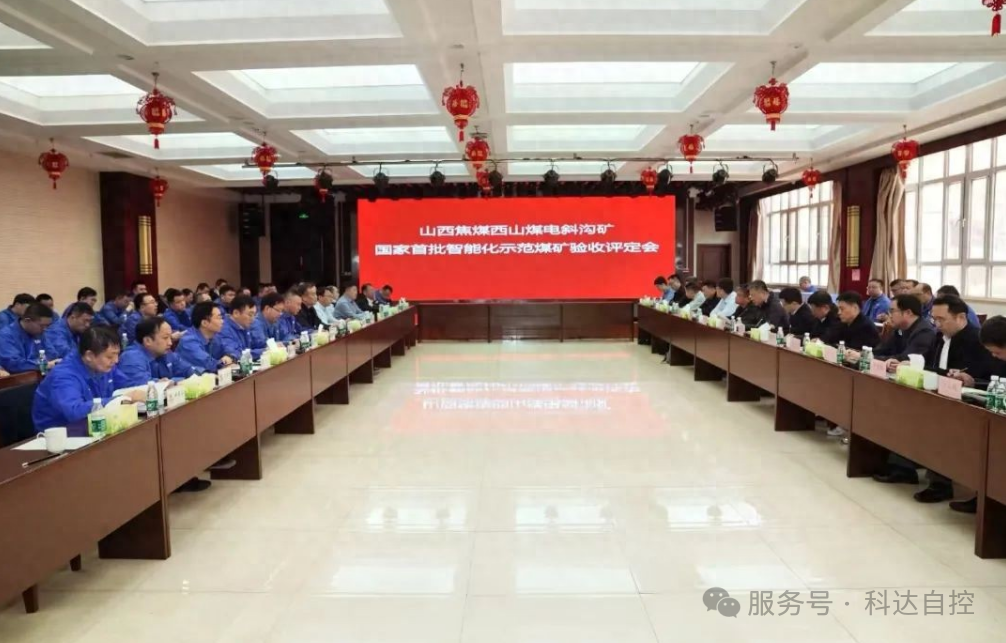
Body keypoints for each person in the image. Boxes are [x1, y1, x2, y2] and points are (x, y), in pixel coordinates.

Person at [32, 327, 145, 435]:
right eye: (110, 357)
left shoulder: (104, 366)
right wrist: (122, 399)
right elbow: (74, 412)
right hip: (61, 435)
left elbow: (128, 384)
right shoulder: (63, 376)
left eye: (117, 355)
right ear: (89, 355)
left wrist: (150, 387)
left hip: (96, 426)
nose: (116, 361)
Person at [848, 294, 935, 370]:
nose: (889, 315)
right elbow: (884, 349)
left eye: (892, 311)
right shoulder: (900, 328)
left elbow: (905, 358)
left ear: (908, 312)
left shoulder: (924, 332)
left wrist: (868, 358)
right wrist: (862, 355)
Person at [923, 295, 993, 381]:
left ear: (961, 317)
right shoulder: (938, 337)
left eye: (941, 319)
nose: (937, 325)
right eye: (934, 319)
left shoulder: (980, 341)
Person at [113, 316, 188, 389]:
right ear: (147, 341)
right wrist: (174, 382)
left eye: (170, 337)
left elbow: (188, 371)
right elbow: (145, 387)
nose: (170, 343)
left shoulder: (165, 352)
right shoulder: (131, 357)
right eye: (165, 338)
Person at [175, 301, 233, 374]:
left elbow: (233, 349)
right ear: (204, 323)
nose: (222, 321)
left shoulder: (215, 335)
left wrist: (229, 356)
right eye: (219, 318)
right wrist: (224, 362)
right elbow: (209, 365)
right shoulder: (188, 341)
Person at [0, 303, 56, 373]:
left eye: (47, 326)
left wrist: (42, 363)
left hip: (39, 375)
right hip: (17, 377)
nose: (45, 329)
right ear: (28, 320)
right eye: (42, 325)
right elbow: (13, 363)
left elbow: (52, 354)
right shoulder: (6, 335)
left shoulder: (40, 333)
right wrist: (42, 364)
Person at [216, 295, 260, 360]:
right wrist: (263, 351)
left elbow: (257, 344)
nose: (253, 319)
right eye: (250, 315)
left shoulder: (244, 326)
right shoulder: (223, 329)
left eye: (254, 315)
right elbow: (235, 354)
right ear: (236, 313)